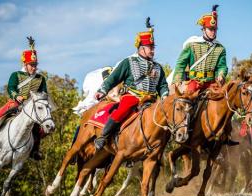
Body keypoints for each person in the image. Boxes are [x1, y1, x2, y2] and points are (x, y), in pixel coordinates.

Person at [93, 17, 169, 151]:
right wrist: (102, 90)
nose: (152, 50)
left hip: (151, 100)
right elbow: (114, 78)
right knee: (122, 110)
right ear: (140, 48)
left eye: (153, 47)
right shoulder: (129, 62)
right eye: (149, 47)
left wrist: (164, 96)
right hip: (133, 96)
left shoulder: (158, 67)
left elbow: (162, 85)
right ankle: (104, 136)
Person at [0, 36, 48, 160]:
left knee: (42, 126)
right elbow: (11, 88)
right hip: (16, 104)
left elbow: (43, 92)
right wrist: (17, 96)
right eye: (31, 65)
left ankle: (35, 150)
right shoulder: (16, 75)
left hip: (32, 106)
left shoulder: (41, 78)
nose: (34, 67)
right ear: (25, 64)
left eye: (35, 64)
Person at [172, 5, 228, 93]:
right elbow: (181, 64)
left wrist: (221, 74)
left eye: (215, 29)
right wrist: (177, 78)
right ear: (203, 30)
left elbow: (222, 66)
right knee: (186, 102)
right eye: (210, 29)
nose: (213, 32)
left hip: (211, 83)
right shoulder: (192, 44)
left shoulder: (220, 48)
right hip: (194, 82)